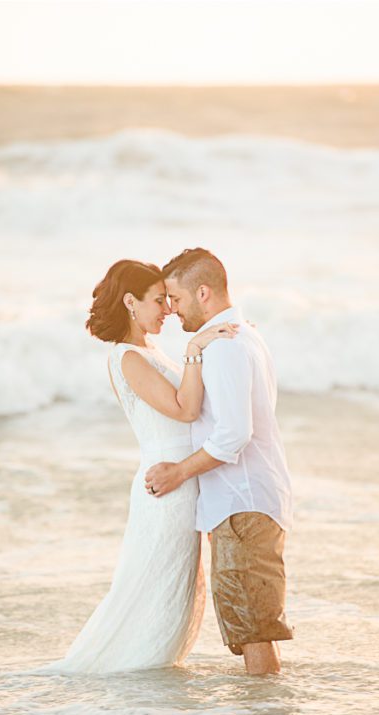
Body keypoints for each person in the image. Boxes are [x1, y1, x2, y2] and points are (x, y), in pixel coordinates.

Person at [44, 259, 236, 675]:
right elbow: (185, 410)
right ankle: (136, 669)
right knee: (154, 582)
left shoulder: (151, 350)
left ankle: (154, 672)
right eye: (158, 301)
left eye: (169, 299)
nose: (167, 309)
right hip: (165, 484)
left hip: (181, 479)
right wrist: (195, 350)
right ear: (130, 302)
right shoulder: (127, 358)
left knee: (175, 583)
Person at [144, 248, 293, 675]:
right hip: (244, 501)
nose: (171, 310)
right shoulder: (241, 335)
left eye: (175, 299)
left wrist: (178, 472)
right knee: (249, 625)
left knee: (252, 629)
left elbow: (234, 434)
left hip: (242, 503)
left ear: (203, 292)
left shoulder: (226, 346)